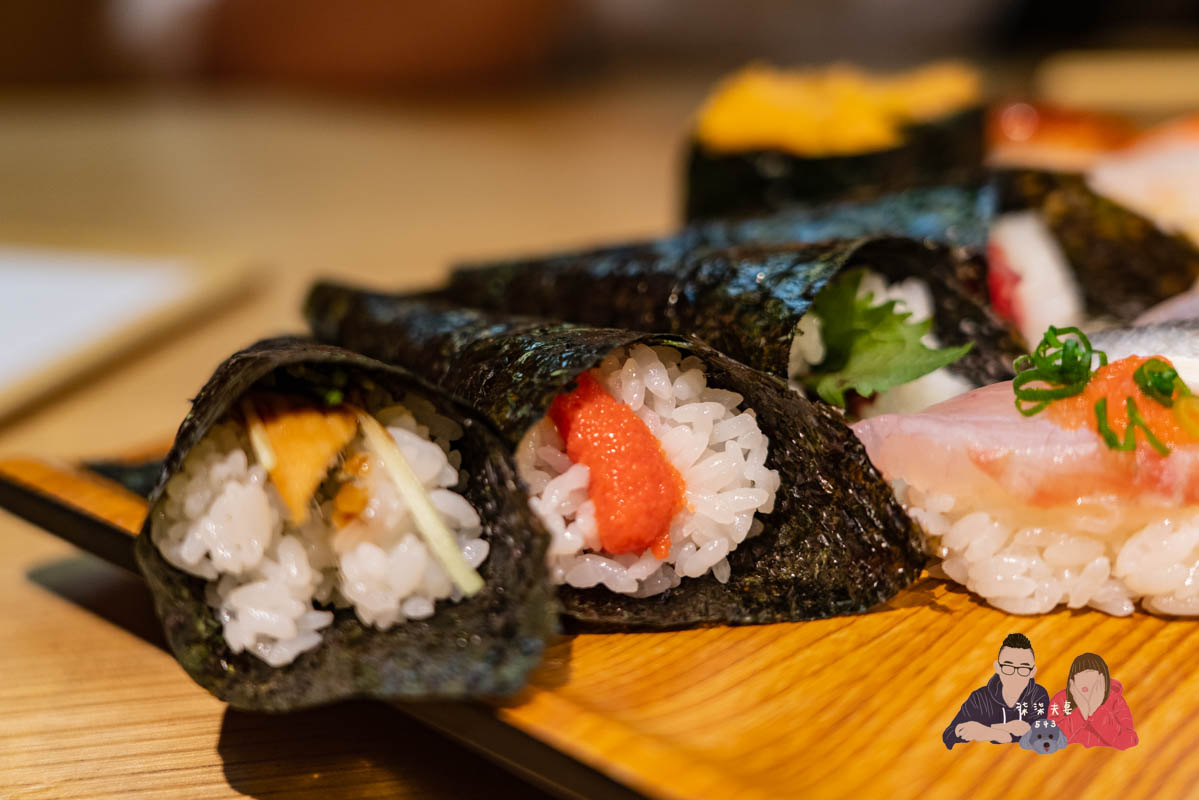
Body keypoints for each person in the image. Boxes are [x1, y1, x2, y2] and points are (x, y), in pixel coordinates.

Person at [943, 633, 1049, 749]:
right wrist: (995, 732)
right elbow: (949, 735)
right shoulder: (979, 698)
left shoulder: (1038, 695)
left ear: (1032, 672)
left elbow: (1043, 737)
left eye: (1023, 669)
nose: (1015, 675)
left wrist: (991, 731)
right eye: (1008, 667)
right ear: (998, 668)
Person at [1048, 652, 1138, 749]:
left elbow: (1128, 741)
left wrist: (1096, 710)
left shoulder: (1115, 700)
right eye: (1078, 675)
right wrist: (1081, 713)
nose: (1083, 681)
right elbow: (1049, 739)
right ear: (1072, 680)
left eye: (1089, 675)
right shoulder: (1061, 700)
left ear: (1102, 678)